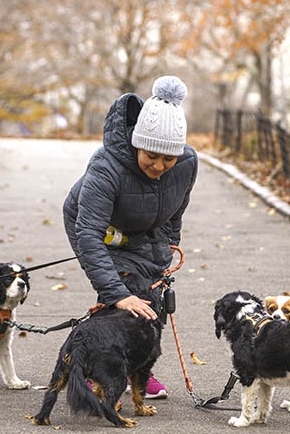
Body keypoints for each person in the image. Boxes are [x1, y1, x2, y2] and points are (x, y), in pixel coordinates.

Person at [62, 75, 199, 399]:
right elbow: (89, 233)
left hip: (146, 226)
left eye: (169, 158)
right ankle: (103, 369)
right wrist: (115, 293)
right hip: (99, 227)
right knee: (124, 298)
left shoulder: (187, 164)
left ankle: (139, 370)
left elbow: (175, 214)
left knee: (151, 299)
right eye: (151, 155)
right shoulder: (106, 167)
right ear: (138, 143)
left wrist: (165, 256)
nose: (159, 165)